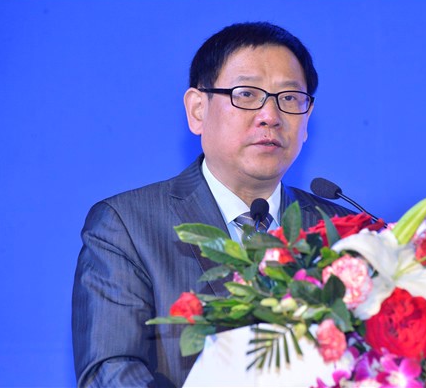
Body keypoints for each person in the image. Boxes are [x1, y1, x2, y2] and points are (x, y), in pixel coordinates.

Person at [72, 21, 354, 387]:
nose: (270, 116)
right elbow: (111, 370)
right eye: (247, 94)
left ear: (307, 118)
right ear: (197, 110)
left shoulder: (343, 231)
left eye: (289, 98)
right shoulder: (127, 226)